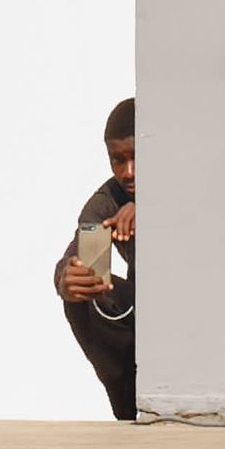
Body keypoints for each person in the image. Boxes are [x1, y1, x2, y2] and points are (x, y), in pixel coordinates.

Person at [59, 98, 148, 409]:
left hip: (200, 316)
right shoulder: (108, 200)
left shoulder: (193, 183)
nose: (129, 172)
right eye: (118, 160)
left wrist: (155, 210)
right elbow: (82, 254)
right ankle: (129, 406)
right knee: (85, 291)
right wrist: (69, 278)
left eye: (138, 157)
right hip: (146, 319)